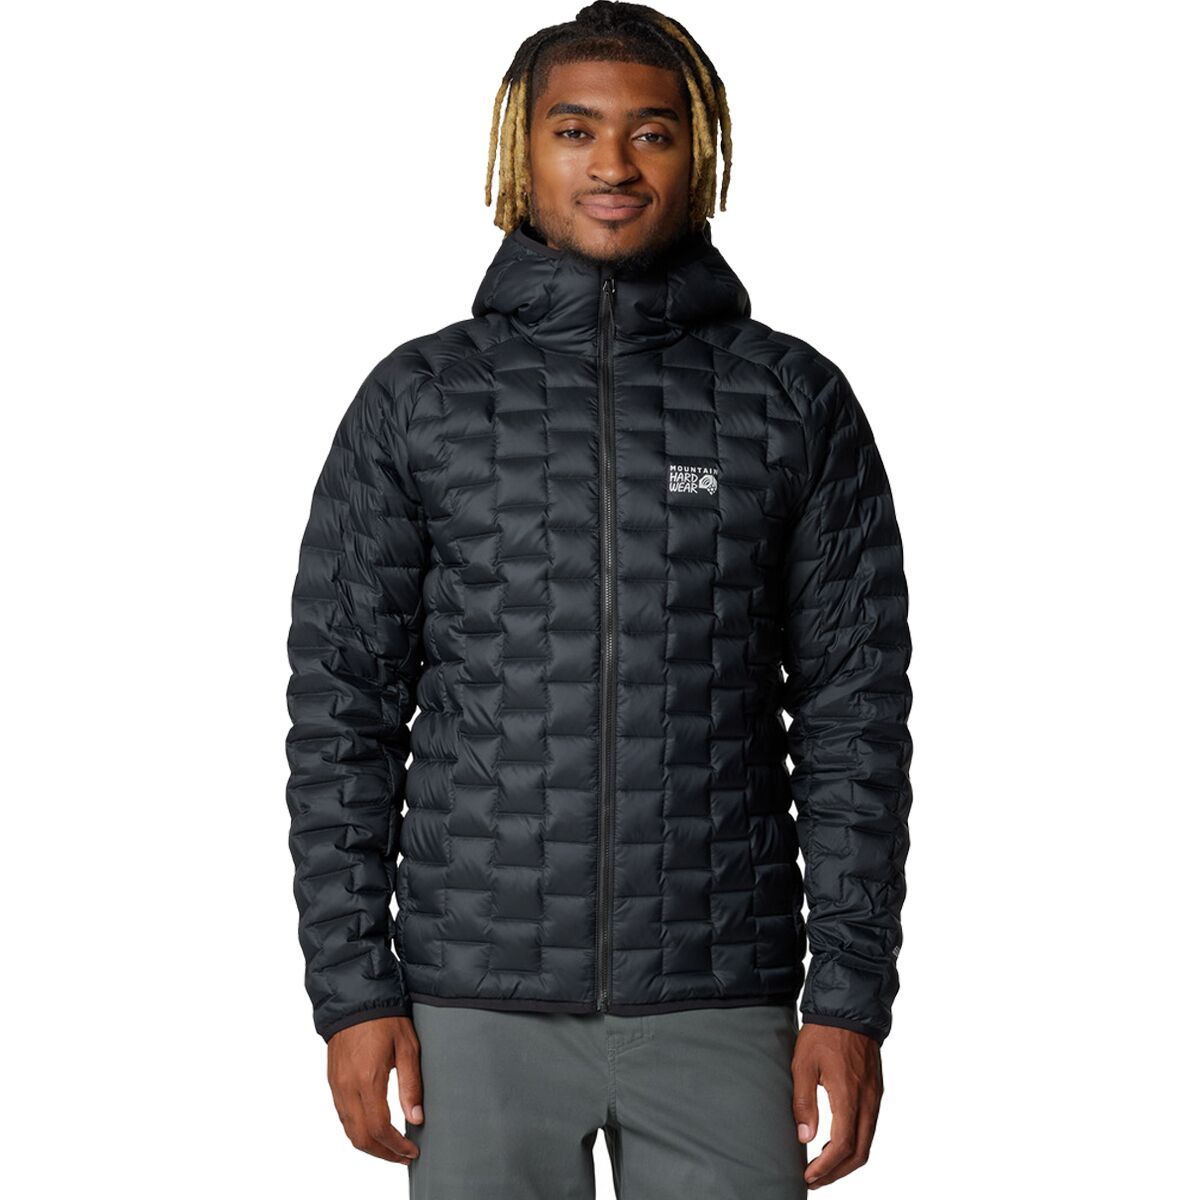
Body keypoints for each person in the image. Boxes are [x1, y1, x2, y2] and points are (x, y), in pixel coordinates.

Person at [283, 3, 913, 1196]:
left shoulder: (792, 399)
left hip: (724, 999)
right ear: (521, 150)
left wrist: (848, 998)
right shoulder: (420, 398)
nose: (613, 164)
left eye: (653, 132)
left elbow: (855, 719)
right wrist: (354, 992)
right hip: (473, 1005)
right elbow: (342, 714)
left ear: (699, 155)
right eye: (575, 130)